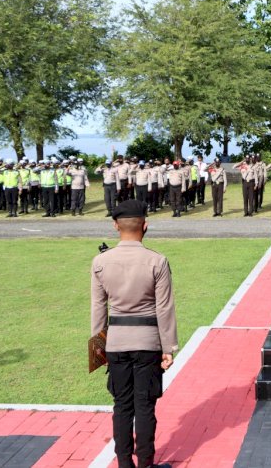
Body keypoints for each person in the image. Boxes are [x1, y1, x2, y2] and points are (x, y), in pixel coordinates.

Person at [91, 199, 177, 468]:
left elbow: (98, 308)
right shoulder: (157, 260)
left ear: (116, 226)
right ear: (145, 225)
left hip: (116, 342)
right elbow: (164, 308)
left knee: (122, 406)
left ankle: (124, 463)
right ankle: (146, 463)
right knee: (145, 405)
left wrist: (97, 348)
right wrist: (168, 348)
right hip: (148, 343)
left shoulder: (101, 261)